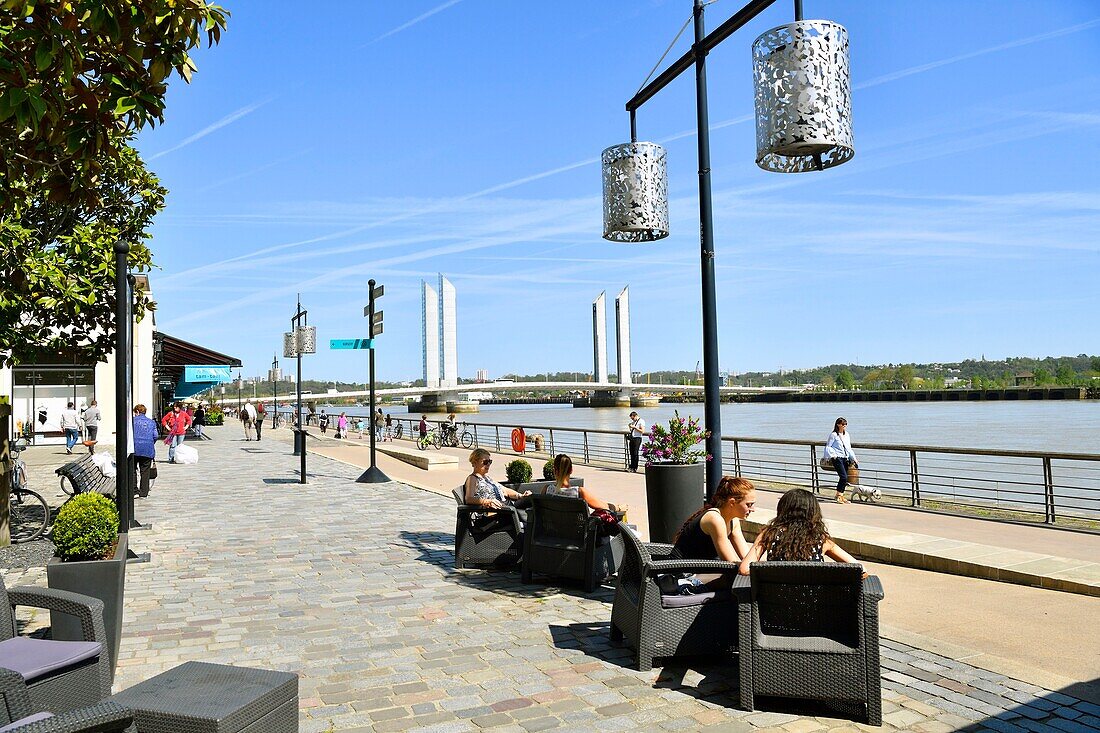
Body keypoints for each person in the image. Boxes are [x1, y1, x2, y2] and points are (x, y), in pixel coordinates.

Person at [739, 489, 863, 575]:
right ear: (813, 513)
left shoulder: (769, 535)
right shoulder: (820, 540)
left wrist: (768, 572)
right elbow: (860, 569)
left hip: (774, 607)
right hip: (814, 608)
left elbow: (745, 569)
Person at [464, 448, 533, 520]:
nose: (488, 464)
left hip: (507, 506)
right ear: (475, 463)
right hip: (498, 511)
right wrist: (487, 501)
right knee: (533, 502)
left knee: (531, 498)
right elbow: (469, 499)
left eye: (490, 461)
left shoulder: (487, 478)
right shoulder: (472, 479)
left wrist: (520, 495)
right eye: (485, 462)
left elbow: (505, 490)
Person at [549, 454, 618, 513]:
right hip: (576, 528)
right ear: (571, 470)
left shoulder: (547, 490)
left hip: (553, 528)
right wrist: (617, 507)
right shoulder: (579, 492)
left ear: (554, 470)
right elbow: (604, 507)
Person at [824, 417, 858, 504]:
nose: (844, 426)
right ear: (838, 424)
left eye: (846, 424)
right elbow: (828, 446)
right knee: (843, 477)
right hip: (837, 458)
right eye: (843, 424)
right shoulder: (833, 435)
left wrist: (853, 458)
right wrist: (833, 455)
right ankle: (838, 496)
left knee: (845, 478)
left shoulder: (846, 434)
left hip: (845, 458)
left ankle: (841, 496)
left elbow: (849, 448)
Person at [132, 404, 159, 497]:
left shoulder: (132, 421)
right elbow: (155, 436)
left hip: (134, 449)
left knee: (132, 470)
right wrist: (150, 443)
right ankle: (144, 492)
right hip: (147, 449)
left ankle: (134, 491)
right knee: (145, 471)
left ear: (137, 412)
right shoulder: (151, 422)